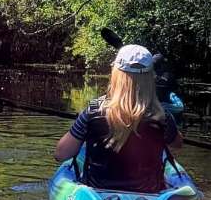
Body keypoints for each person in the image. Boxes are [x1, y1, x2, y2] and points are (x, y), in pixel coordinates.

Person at [55, 44, 184, 192]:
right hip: (147, 198)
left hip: (99, 196)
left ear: (116, 74)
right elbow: (177, 144)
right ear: (150, 78)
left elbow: (61, 154)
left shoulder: (93, 111)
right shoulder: (162, 117)